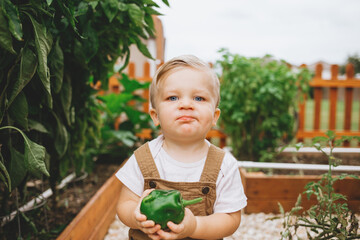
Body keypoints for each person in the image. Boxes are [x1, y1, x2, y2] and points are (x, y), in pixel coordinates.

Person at [116, 55, 247, 240]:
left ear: (215, 116)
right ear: (155, 116)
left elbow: (230, 219)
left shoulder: (224, 165)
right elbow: (125, 204)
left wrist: (195, 227)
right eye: (173, 97)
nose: (186, 105)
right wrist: (136, 218)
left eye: (199, 98)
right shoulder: (142, 158)